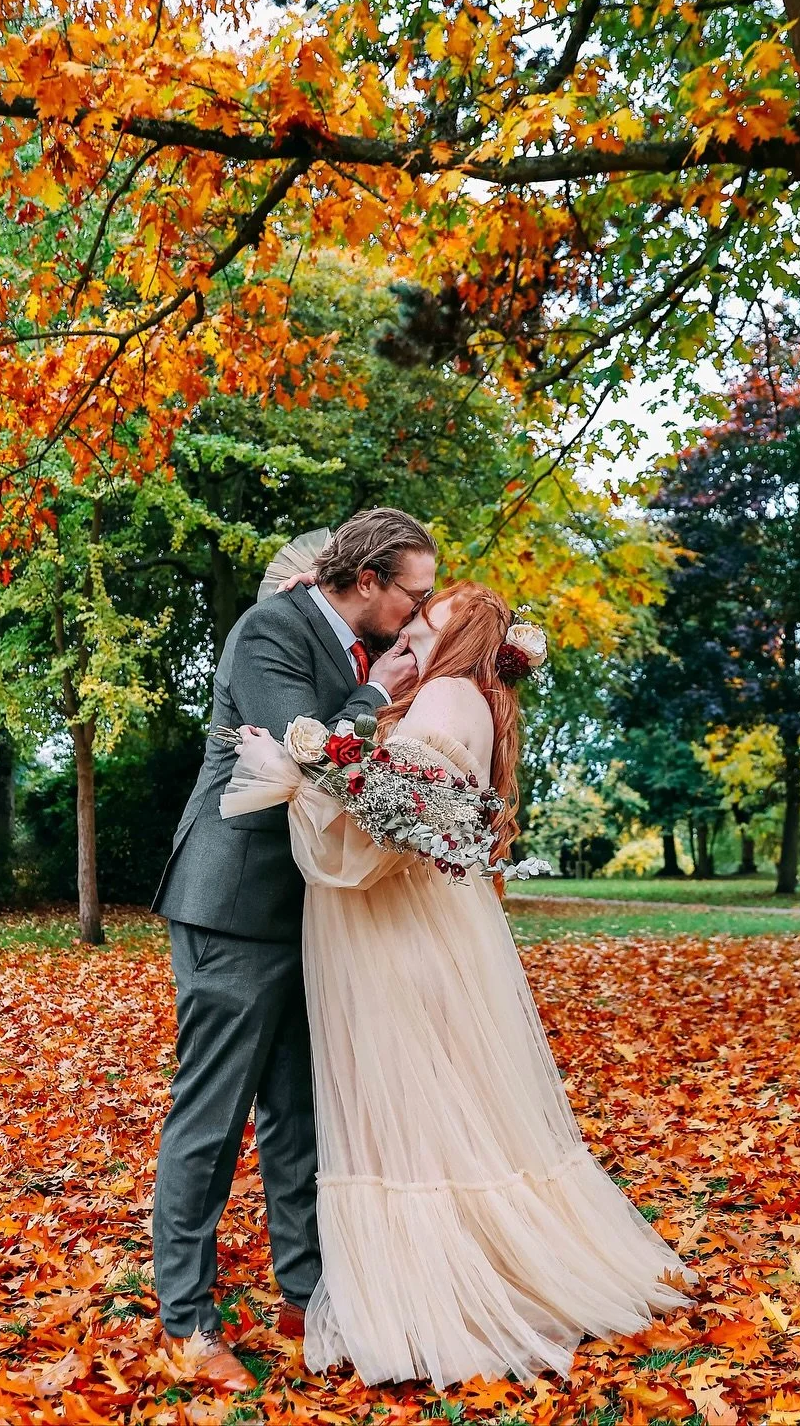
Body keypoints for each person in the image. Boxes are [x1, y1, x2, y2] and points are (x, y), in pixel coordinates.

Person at [220, 580, 696, 1390]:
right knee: (443, 1110)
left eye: (424, 622)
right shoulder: (472, 701)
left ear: (460, 638)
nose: (408, 631)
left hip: (396, 933)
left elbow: (380, 841)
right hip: (421, 930)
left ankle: (436, 1304)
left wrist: (296, 775)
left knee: (414, 1115)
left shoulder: (444, 699)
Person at [150, 508, 436, 1391]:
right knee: (212, 1117)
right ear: (367, 581)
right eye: (414, 595)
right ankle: (186, 1324)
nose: (420, 614)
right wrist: (378, 697)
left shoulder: (355, 647)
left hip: (305, 913)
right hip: (233, 904)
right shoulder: (269, 629)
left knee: (296, 1114)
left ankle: (304, 1298)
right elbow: (309, 754)